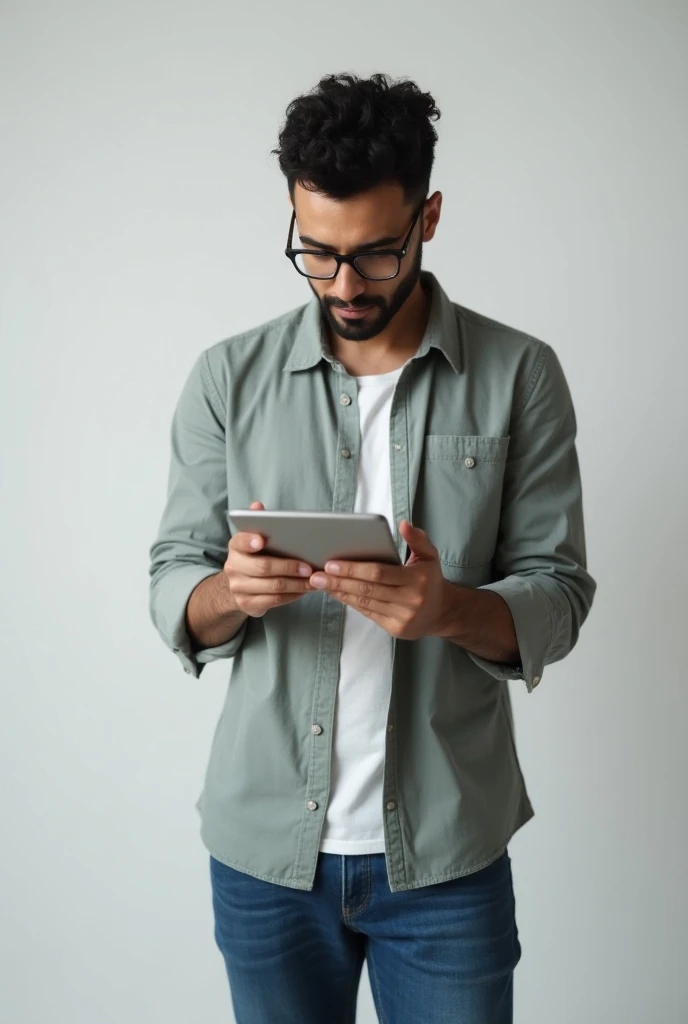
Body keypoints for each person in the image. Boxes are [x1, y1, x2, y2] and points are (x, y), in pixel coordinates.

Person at [148, 72, 596, 1024]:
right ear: (292, 216)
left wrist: (450, 611)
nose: (345, 287)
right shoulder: (228, 378)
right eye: (315, 254)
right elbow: (171, 584)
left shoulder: (520, 375)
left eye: (376, 256)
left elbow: (559, 594)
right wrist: (231, 591)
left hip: (446, 861)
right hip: (267, 855)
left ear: (428, 217)